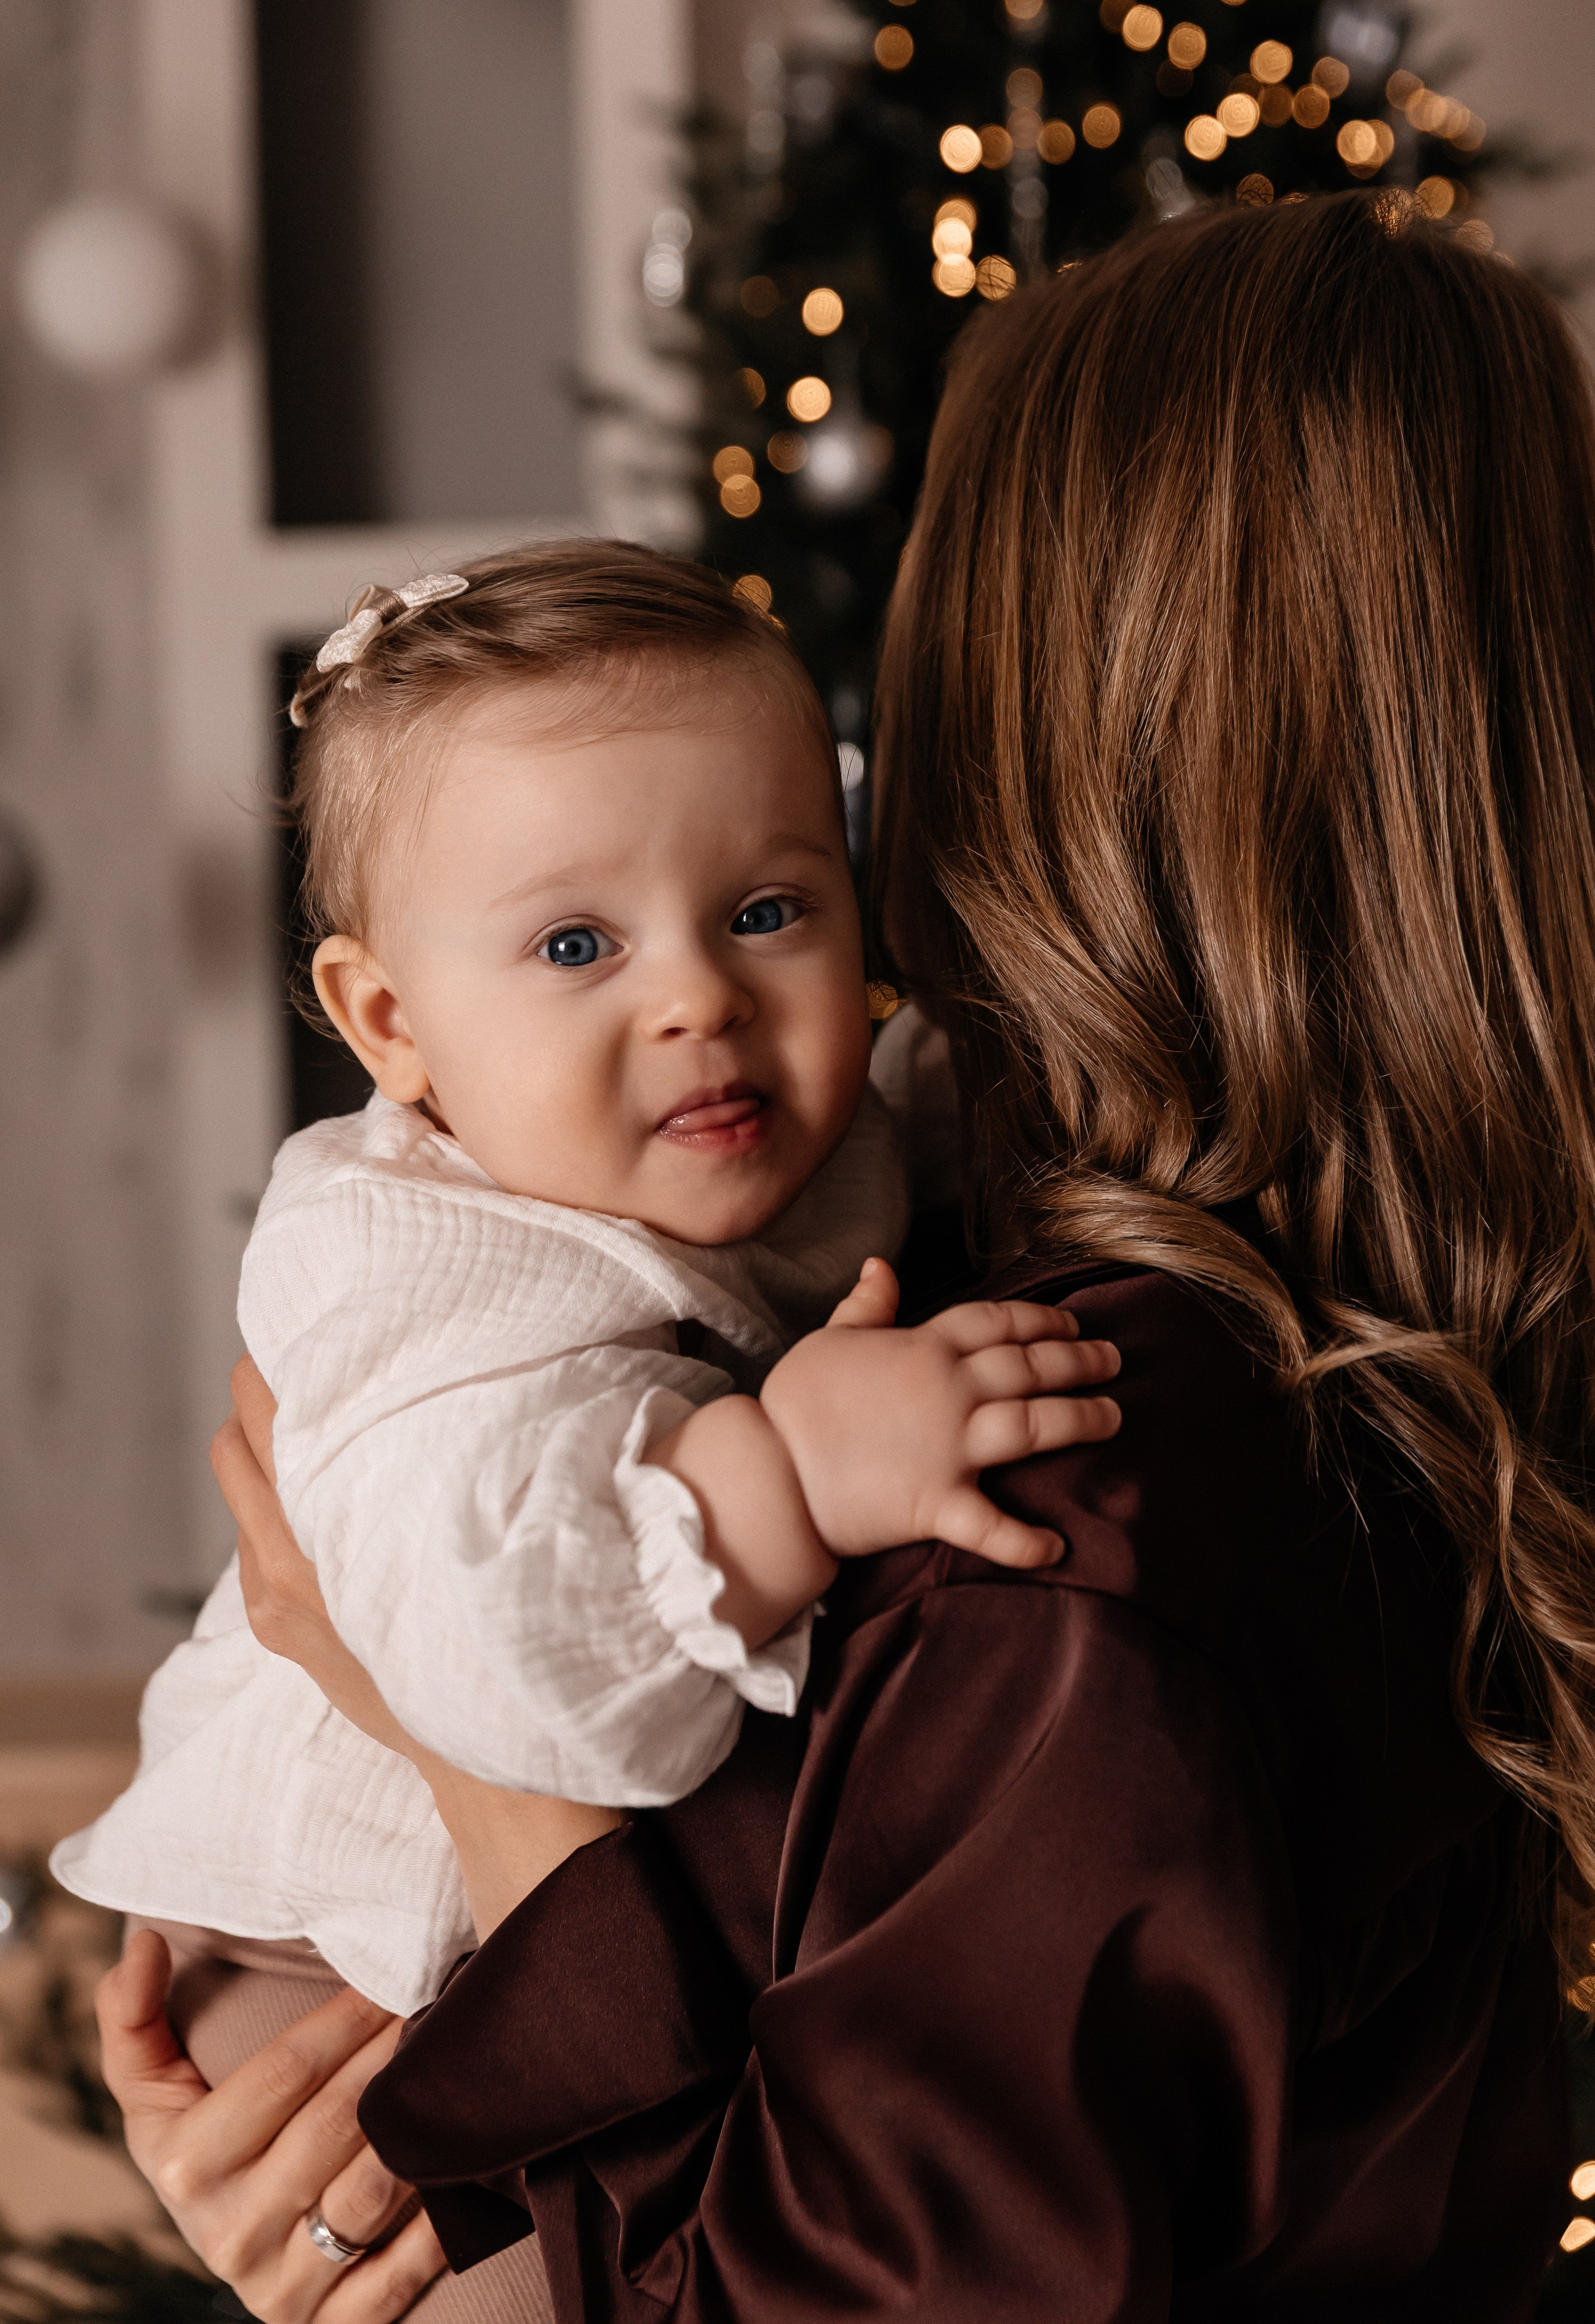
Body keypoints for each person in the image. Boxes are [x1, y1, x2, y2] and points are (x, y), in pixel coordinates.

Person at [100, 192, 1594, 2318]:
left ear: (1021, 702)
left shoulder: (1063, 1476)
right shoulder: (1283, 1337)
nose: (694, 998)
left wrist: (444, 1763)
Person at [73, 546, 1116, 2318]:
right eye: (576, 944)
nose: (697, 995)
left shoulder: (744, 1128)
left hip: (550, 1938)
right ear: (389, 1023)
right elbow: (509, 1666)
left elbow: (907, 1134)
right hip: (318, 1960)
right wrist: (784, 1475)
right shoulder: (421, 1277)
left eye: (770, 909)